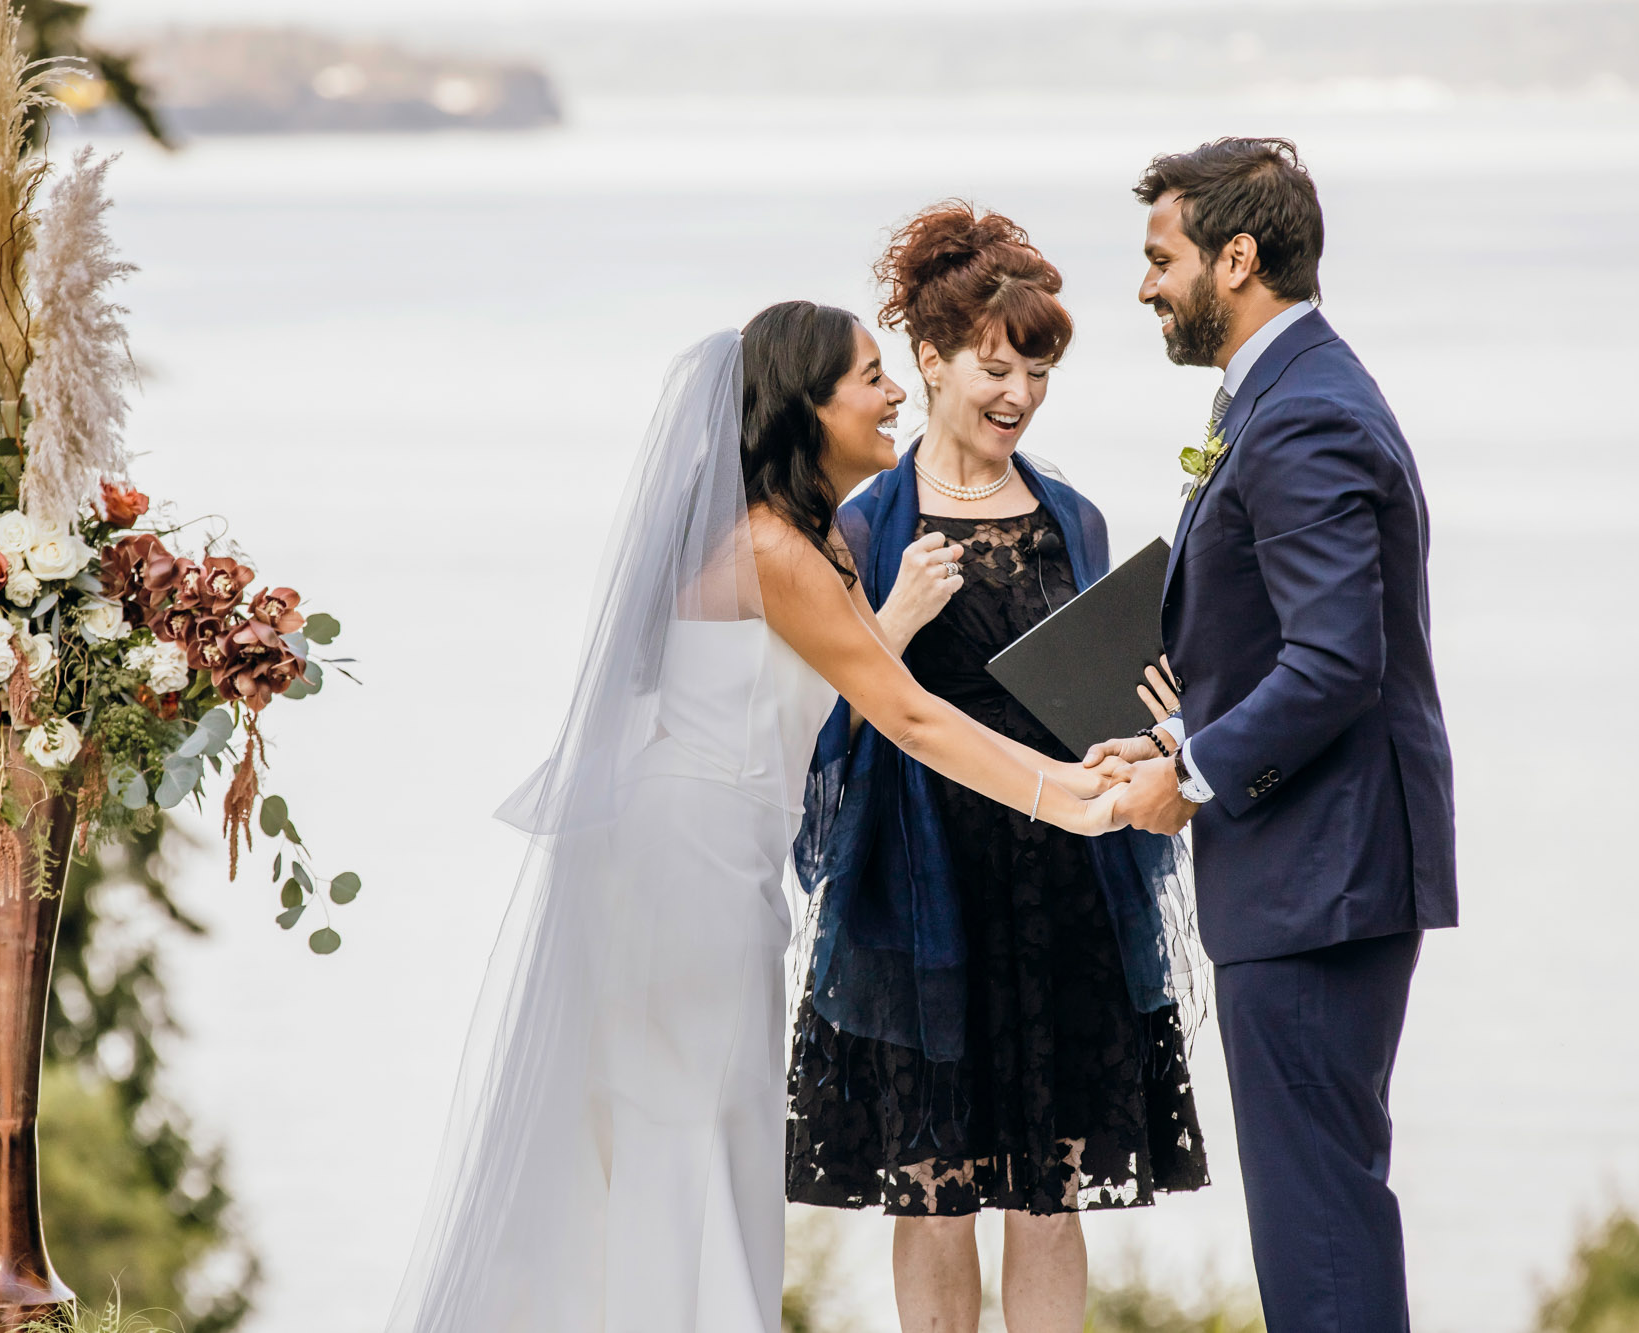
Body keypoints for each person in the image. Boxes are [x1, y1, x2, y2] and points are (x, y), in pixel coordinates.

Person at [385, 300, 1134, 1333]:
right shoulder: (772, 549)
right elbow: (909, 716)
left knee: (721, 1126)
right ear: (805, 406)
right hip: (678, 865)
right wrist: (1071, 800)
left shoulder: (810, 536)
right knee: (683, 1130)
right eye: (870, 376)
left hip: (723, 858)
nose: (893, 396)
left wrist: (1083, 770)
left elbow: (857, 697)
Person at [786, 204, 1208, 1333]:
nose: (1015, 391)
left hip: (1059, 884)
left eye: (1036, 366)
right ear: (927, 362)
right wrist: (889, 621)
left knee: (1047, 1189)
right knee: (928, 1196)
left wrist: (1155, 715)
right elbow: (817, 745)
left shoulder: (1072, 516)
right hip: (915, 893)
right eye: (992, 364)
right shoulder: (864, 522)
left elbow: (1104, 698)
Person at [1085, 139, 1457, 1332]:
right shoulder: (1290, 395)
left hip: (1318, 879)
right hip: (1313, 869)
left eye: (1161, 258)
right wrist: (1179, 730)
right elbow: (1296, 646)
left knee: (1317, 1229)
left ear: (1234, 258)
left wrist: (1190, 775)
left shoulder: (1303, 419)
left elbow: (1339, 658)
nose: (1145, 286)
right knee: (1320, 1215)